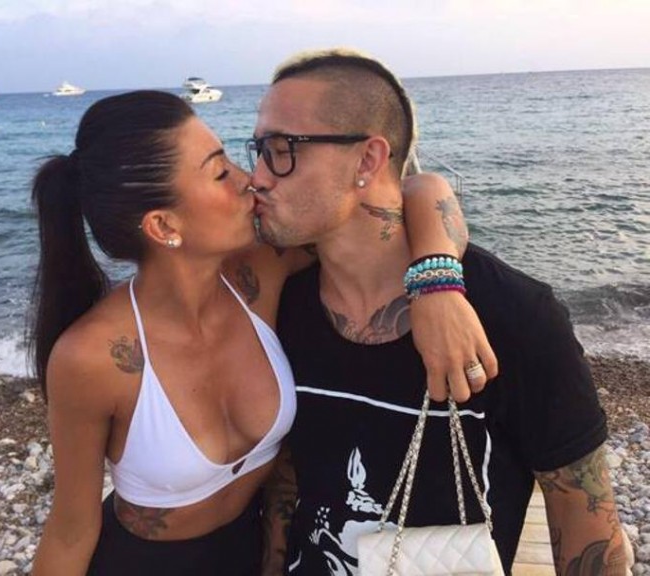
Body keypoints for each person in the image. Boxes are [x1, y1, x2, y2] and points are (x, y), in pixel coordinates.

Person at [27, 90, 488, 575]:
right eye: (220, 172)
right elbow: (71, 531)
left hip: (253, 551)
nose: (249, 179)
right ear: (163, 225)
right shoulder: (92, 358)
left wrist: (437, 285)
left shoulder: (262, 273)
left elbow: (411, 192)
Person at [250, 49, 627, 575]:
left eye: (281, 150)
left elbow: (585, 525)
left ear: (367, 160)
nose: (258, 177)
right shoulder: (285, 304)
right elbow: (289, 482)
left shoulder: (513, 315)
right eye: (257, 151)